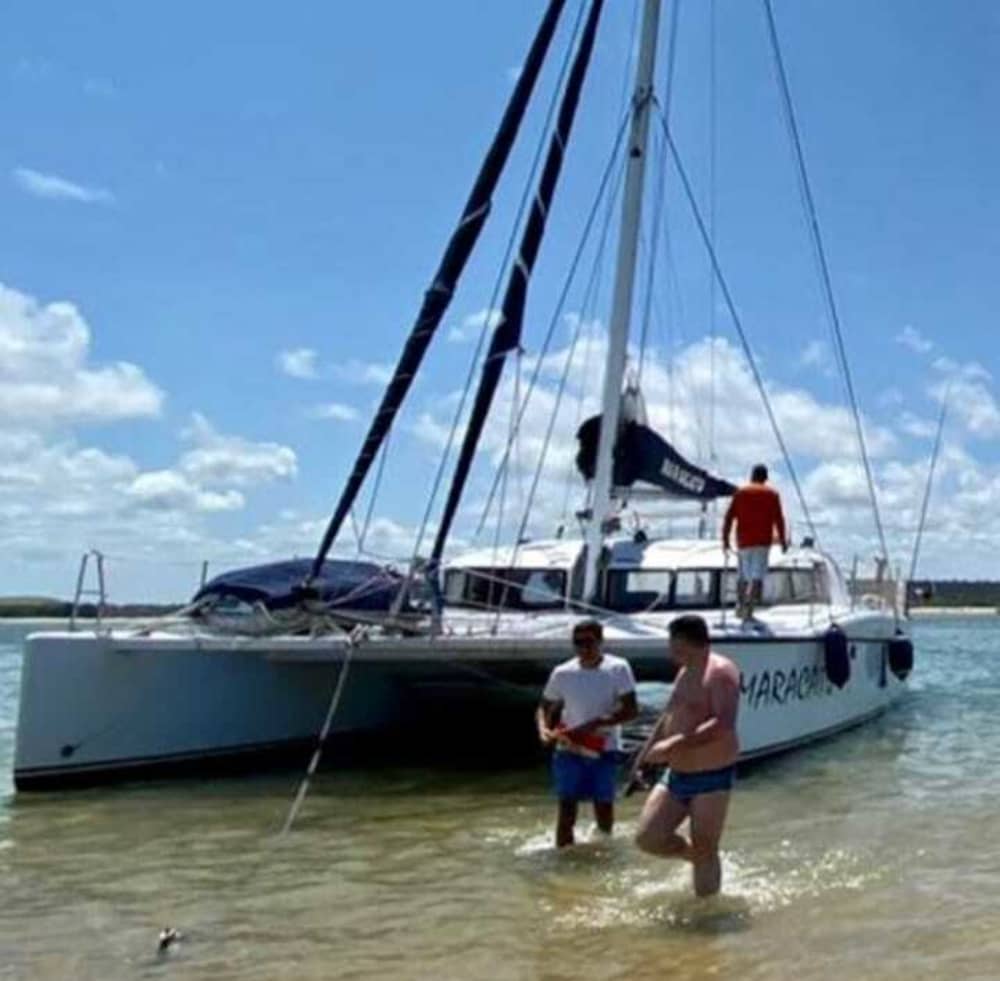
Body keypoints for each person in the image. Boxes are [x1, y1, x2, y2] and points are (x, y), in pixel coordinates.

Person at [634, 614, 740, 897]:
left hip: (711, 775)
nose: (670, 652)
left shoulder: (721, 672)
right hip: (677, 774)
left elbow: (723, 723)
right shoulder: (685, 670)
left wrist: (674, 745)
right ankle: (698, 858)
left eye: (674, 646)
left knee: (706, 844)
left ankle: (708, 911)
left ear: (689, 643)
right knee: (648, 837)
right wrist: (643, 758)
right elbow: (667, 716)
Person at [536, 619, 638, 848]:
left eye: (589, 642)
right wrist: (543, 729)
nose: (583, 648)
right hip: (569, 747)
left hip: (604, 748)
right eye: (578, 643)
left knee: (603, 807)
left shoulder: (618, 668)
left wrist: (599, 722)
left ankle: (604, 855)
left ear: (600, 641)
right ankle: (563, 857)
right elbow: (544, 705)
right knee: (566, 809)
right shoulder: (562, 672)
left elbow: (631, 710)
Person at [722, 463, 789, 621]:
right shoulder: (772, 494)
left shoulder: (740, 493)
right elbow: (779, 520)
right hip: (762, 542)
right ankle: (749, 609)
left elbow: (729, 518)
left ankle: (740, 606)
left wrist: (725, 540)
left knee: (743, 577)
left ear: (752, 476)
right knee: (756, 577)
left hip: (743, 542)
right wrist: (783, 541)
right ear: (765, 478)